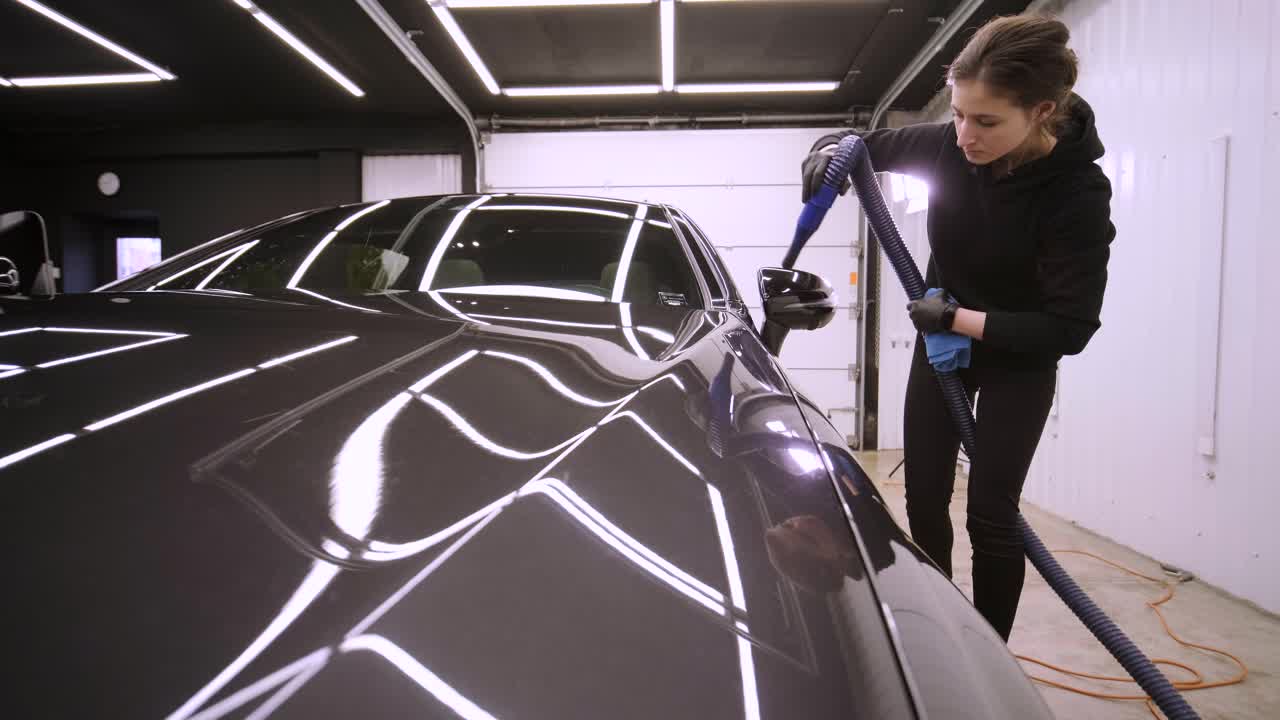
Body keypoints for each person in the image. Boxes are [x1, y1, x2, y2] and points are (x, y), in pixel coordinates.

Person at [800, 14, 1115, 641]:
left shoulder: (1077, 193)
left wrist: (957, 317)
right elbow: (859, 144)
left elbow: (1068, 328)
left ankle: (986, 656)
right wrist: (824, 152)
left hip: (1016, 359)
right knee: (922, 498)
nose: (964, 135)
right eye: (960, 114)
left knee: (991, 517)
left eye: (987, 121)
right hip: (943, 349)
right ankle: (939, 635)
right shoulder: (952, 144)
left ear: (1042, 111)